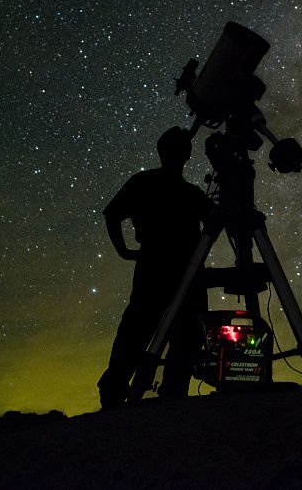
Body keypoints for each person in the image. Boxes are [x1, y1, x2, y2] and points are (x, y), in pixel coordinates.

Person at [97, 126, 214, 408]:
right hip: (181, 271)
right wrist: (123, 250)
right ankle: (169, 395)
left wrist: (124, 250)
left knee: (139, 332)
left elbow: (112, 214)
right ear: (186, 155)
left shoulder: (144, 183)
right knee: (163, 334)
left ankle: (116, 394)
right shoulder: (190, 194)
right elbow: (112, 214)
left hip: (161, 268)